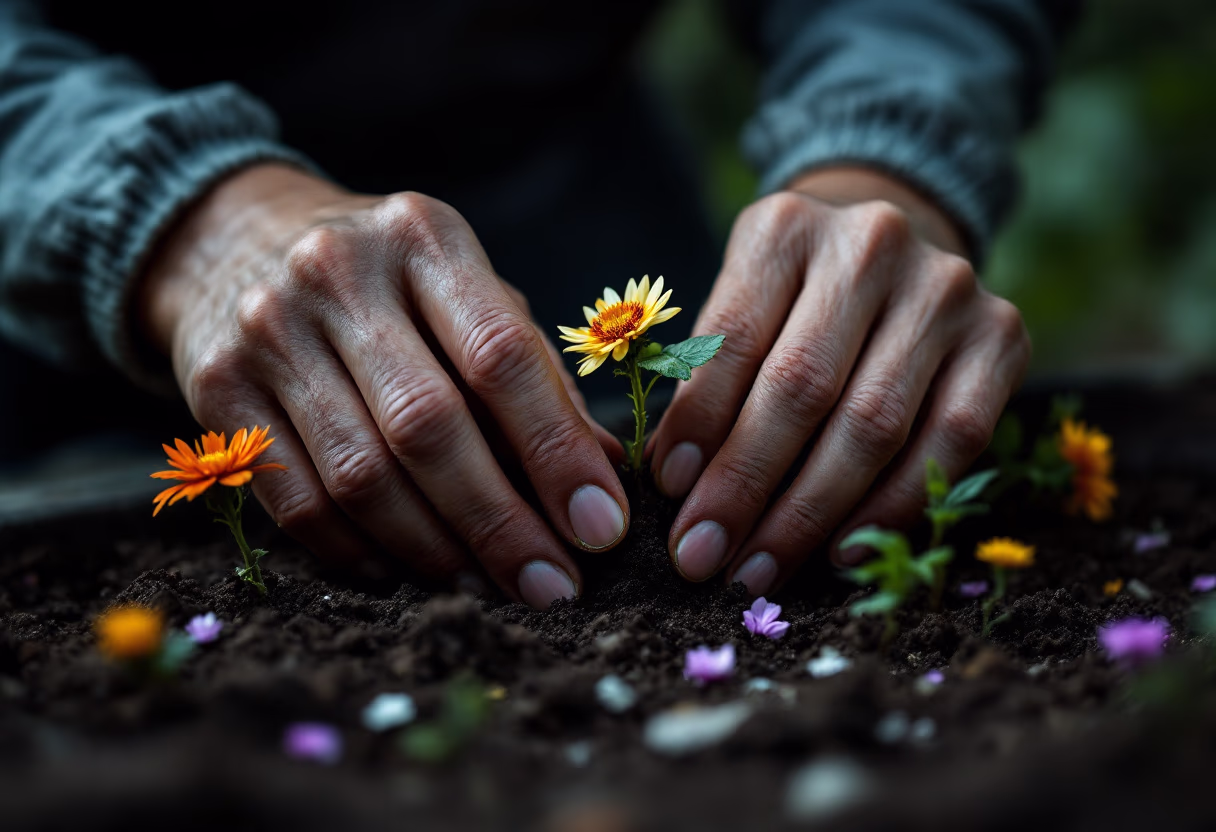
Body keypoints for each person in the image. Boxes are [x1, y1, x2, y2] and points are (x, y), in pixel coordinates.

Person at [0, 1, 1076, 607]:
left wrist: (883, 160)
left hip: (564, 195)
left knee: (668, 492)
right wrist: (173, 217)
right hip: (29, 263)